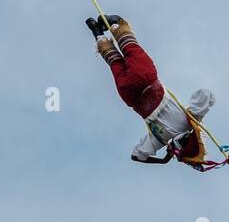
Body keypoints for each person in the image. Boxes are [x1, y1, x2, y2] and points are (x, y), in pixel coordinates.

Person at [86, 14, 216, 166]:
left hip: (145, 79)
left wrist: (197, 121)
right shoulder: (159, 140)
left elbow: (207, 96)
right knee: (114, 61)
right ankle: (98, 33)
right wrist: (163, 160)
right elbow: (136, 156)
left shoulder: (188, 122)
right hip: (129, 96)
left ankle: (113, 23)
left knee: (131, 48)